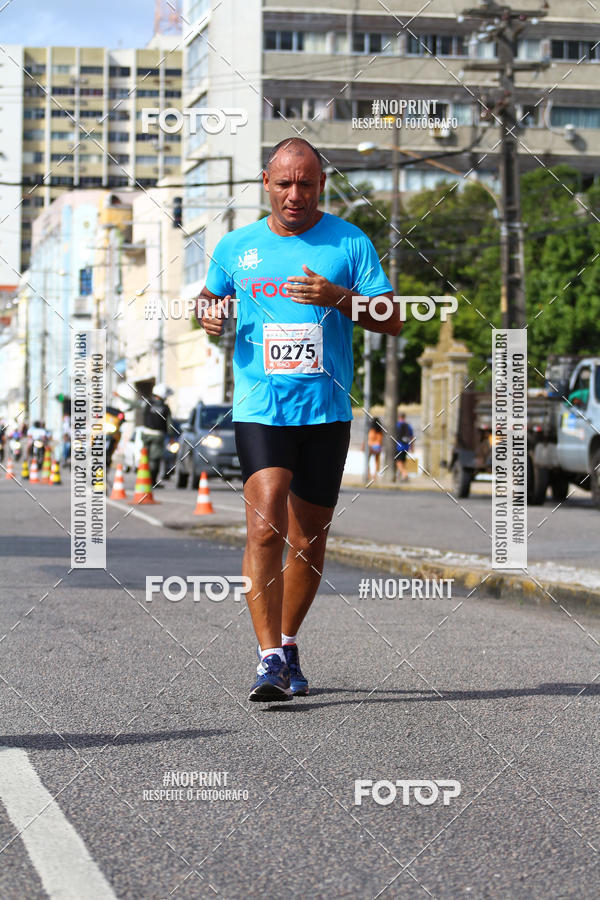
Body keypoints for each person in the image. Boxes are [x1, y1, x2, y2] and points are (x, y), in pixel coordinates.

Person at [199, 137, 402, 701]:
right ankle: (267, 660)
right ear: (267, 182)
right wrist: (208, 316)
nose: (295, 194)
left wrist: (337, 296)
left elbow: (391, 319)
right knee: (265, 523)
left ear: (321, 185)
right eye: (285, 183)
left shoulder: (349, 242)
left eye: (306, 184)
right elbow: (207, 300)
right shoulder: (236, 246)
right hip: (262, 407)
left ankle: (288, 642)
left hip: (326, 410)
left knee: (308, 539)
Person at [142, 384, 172, 487]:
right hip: (158, 436)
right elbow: (169, 425)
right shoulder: (165, 407)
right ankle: (152, 482)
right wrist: (172, 436)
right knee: (155, 459)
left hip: (145, 434)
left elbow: (134, 404)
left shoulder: (147, 403)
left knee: (145, 457)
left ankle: (142, 480)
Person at [395, 412, 415, 482]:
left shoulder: (397, 425)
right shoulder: (408, 426)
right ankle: (401, 477)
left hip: (398, 446)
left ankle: (405, 474)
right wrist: (412, 447)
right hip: (406, 446)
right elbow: (412, 437)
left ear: (399, 417)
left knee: (398, 461)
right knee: (403, 461)